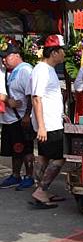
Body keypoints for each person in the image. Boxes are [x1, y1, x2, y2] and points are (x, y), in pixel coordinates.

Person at [30, 35, 67, 208]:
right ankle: (41, 190)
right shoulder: (42, 70)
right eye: (62, 51)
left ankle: (40, 190)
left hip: (52, 121)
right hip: (49, 125)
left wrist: (62, 114)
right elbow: (36, 98)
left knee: (44, 156)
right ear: (54, 52)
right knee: (59, 159)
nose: (64, 54)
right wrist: (42, 127)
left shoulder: (48, 69)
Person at [0, 43, 35, 190]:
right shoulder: (8, 71)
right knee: (15, 150)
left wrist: (27, 115)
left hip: (21, 119)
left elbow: (33, 96)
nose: (3, 60)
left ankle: (29, 176)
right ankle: (15, 175)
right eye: (2, 58)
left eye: (6, 57)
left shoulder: (25, 71)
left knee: (26, 149)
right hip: (9, 119)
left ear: (16, 55)